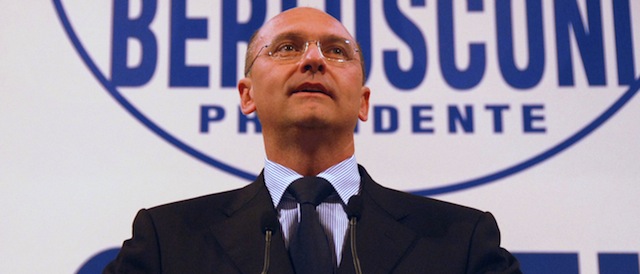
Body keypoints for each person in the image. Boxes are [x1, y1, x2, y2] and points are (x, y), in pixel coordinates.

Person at [104, 7, 521, 274]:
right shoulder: (168, 242)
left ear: (363, 100)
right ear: (247, 95)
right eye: (286, 48)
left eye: (338, 51)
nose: (314, 59)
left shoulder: (461, 241)